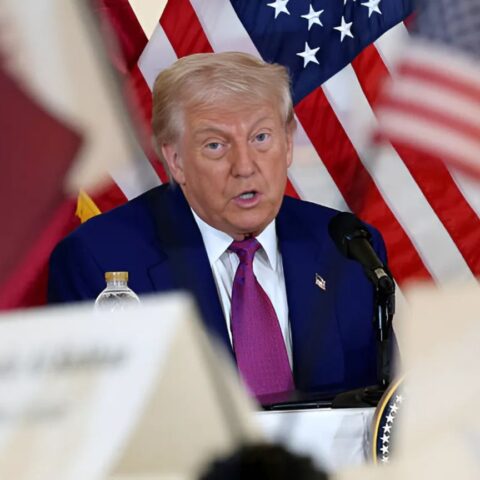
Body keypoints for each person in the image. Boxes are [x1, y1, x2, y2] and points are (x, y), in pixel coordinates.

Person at [48, 52, 388, 398]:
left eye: (260, 138)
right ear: (176, 160)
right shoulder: (97, 259)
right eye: (215, 145)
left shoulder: (349, 248)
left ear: (287, 143)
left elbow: (381, 407)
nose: (244, 166)